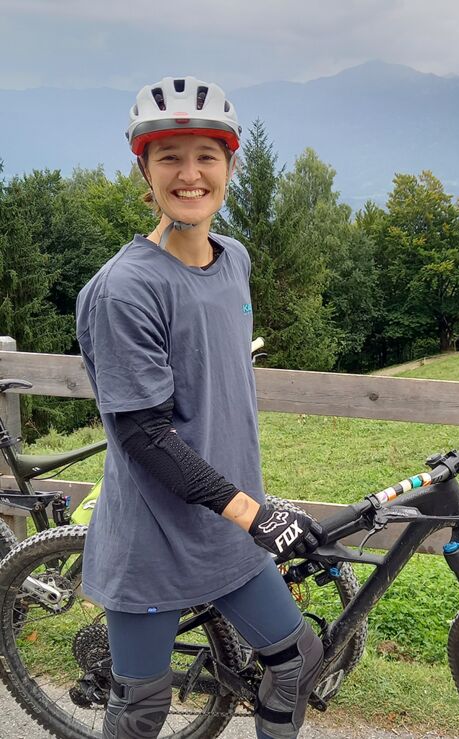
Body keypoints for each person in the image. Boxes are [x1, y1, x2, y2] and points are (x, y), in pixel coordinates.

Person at [76, 76, 325, 739]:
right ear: (145, 171)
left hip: (227, 528)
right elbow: (143, 434)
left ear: (230, 164)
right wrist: (254, 510)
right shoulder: (126, 289)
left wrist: (248, 508)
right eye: (169, 157)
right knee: (142, 708)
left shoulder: (233, 259)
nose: (190, 174)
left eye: (206, 156)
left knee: (296, 659)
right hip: (154, 538)